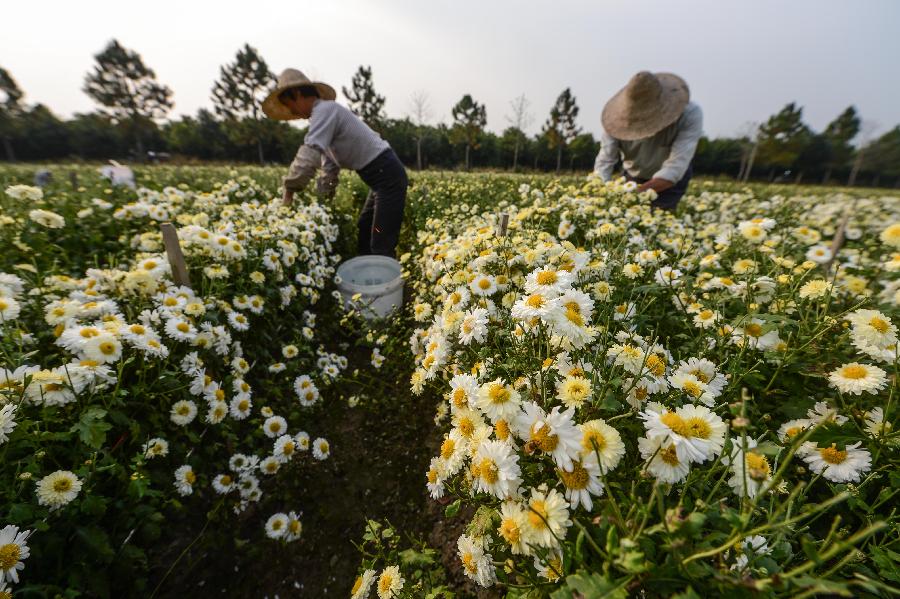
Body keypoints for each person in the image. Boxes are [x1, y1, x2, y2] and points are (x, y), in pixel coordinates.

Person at [262, 68, 408, 258]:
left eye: (290, 105)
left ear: (297, 95)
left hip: (387, 175)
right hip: (379, 177)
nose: (292, 112)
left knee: (381, 237)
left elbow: (310, 150)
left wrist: (290, 188)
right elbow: (329, 167)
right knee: (365, 226)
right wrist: (322, 203)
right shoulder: (323, 117)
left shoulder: (325, 110)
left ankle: (385, 284)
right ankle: (365, 276)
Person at [593, 71, 703, 210]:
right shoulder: (614, 120)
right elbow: (605, 161)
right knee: (625, 217)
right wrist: (600, 195)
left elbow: (676, 166)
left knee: (659, 220)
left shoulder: (689, 114)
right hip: (634, 175)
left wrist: (634, 194)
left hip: (668, 181)